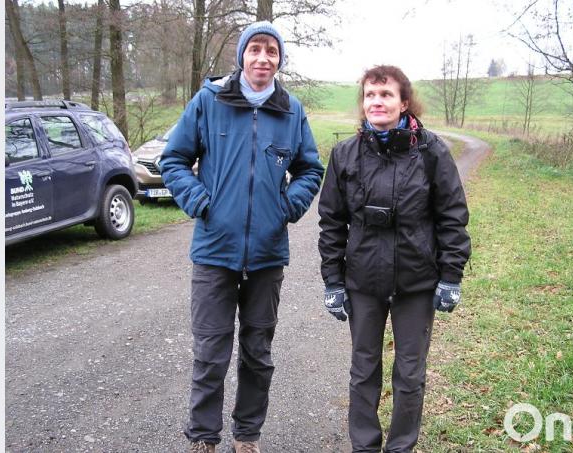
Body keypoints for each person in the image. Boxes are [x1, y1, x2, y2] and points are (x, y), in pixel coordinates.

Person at [159, 21, 324, 453]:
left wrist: (287, 207)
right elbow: (173, 159)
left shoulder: (292, 110)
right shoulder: (209, 102)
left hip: (268, 255)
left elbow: (310, 168)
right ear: (241, 56)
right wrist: (200, 202)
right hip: (214, 252)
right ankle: (203, 437)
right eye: (255, 50)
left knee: (257, 354)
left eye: (272, 51)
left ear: (280, 59)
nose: (263, 58)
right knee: (211, 353)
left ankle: (246, 435)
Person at [317, 65, 471, 452]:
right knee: (363, 370)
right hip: (363, 282)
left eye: (386, 95)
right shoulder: (345, 154)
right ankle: (365, 446)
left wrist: (451, 275)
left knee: (409, 374)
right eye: (370, 95)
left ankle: (401, 446)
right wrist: (333, 281)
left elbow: (452, 215)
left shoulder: (432, 151)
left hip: (416, 282)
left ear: (404, 102)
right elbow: (332, 223)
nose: (376, 102)